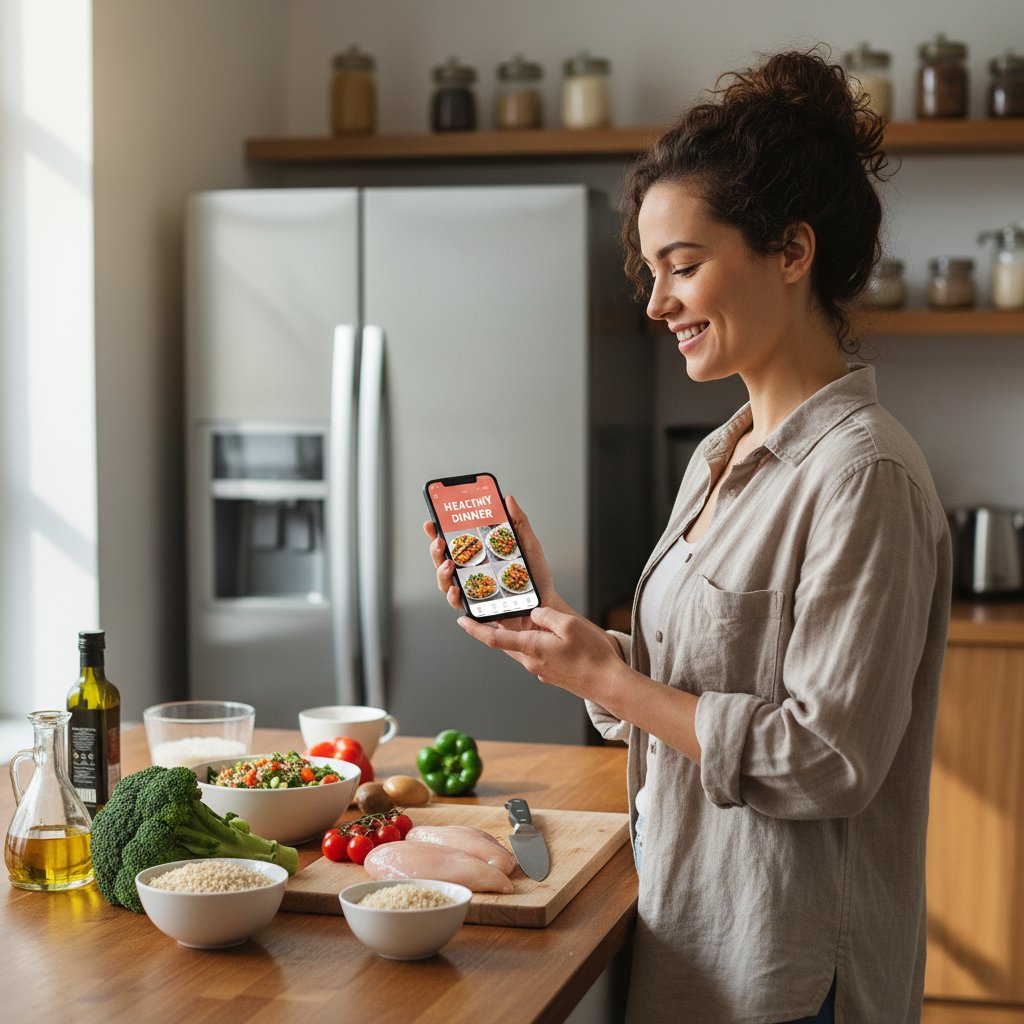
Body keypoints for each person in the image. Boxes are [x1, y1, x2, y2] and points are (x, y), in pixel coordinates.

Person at [425, 49, 951, 1024]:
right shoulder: (720, 452)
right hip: (690, 939)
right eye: (652, 272)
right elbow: (693, 685)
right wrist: (571, 643)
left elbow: (827, 758)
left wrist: (611, 684)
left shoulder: (860, 474)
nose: (658, 303)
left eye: (683, 265)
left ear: (791, 253)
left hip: (788, 973)